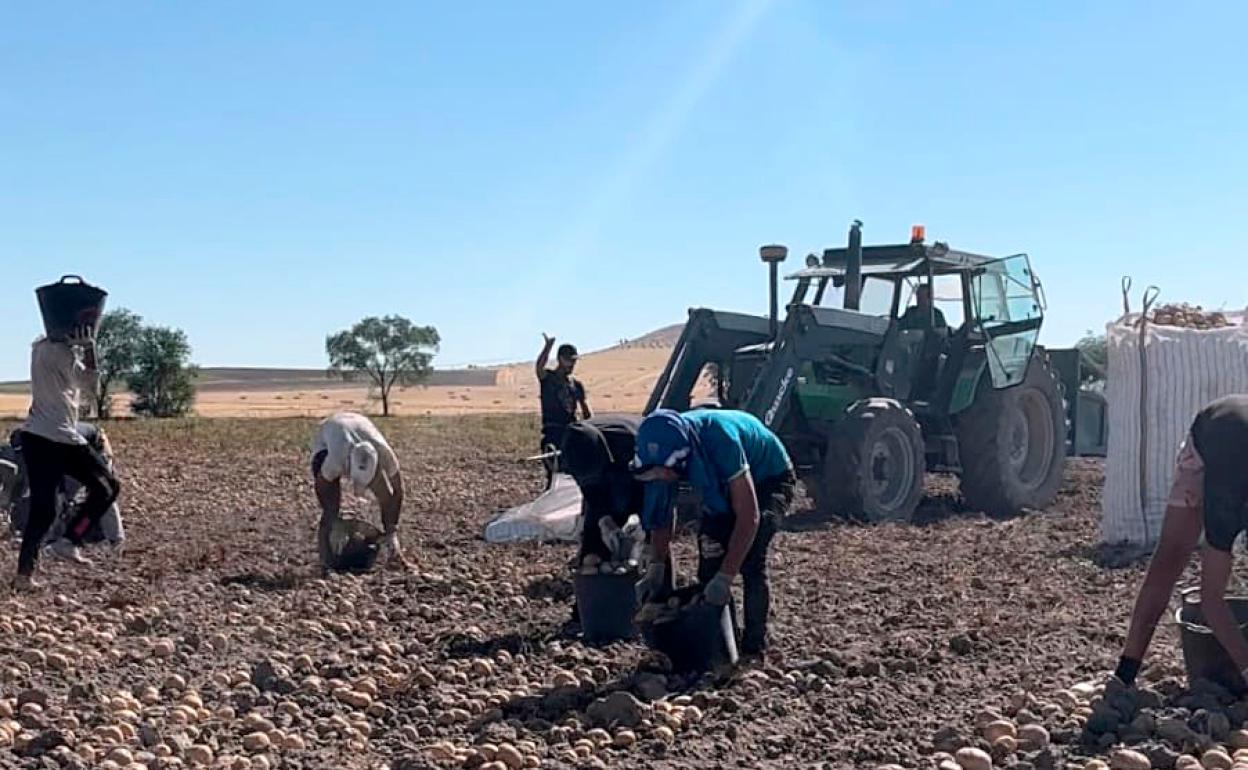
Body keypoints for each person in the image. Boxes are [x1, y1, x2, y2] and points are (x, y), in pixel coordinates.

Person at [630, 407, 796, 657]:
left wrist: (726, 576)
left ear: (683, 457)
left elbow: (749, 517)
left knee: (751, 560)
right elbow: (662, 516)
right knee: (708, 566)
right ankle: (720, 646)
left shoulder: (721, 440)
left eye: (667, 473)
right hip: (719, 488)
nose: (662, 477)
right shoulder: (659, 460)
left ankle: (754, 647)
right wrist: (656, 567)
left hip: (767, 478)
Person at [1110, 394, 1248, 689]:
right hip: (1211, 437)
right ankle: (1126, 669)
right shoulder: (1226, 502)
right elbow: (1211, 600)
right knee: (1171, 555)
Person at [13, 327, 121, 591]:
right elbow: (91, 385)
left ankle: (24, 575)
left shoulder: (39, 348)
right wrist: (89, 347)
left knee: (43, 510)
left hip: (36, 437)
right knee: (107, 487)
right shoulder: (60, 352)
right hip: (58, 437)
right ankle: (69, 540)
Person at [311, 411, 407, 570]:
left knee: (386, 497)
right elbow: (321, 485)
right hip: (329, 433)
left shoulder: (385, 454)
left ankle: (393, 553)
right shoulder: (335, 460)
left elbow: (397, 492)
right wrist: (332, 517)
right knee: (331, 508)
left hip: (360, 424)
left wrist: (391, 531)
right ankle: (326, 562)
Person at [536, 334, 591, 487]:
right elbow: (539, 368)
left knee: (574, 474)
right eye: (569, 360)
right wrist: (548, 347)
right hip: (553, 433)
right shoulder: (548, 378)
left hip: (572, 433)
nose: (572, 364)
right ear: (560, 359)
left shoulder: (576, 385)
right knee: (554, 474)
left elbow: (586, 410)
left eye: (574, 361)